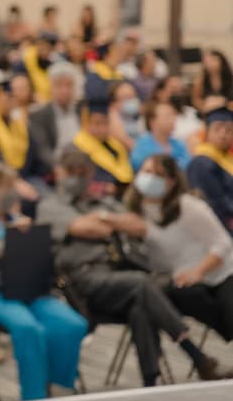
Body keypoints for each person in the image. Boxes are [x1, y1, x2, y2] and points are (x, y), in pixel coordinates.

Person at [38, 148, 232, 385]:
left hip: (117, 276)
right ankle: (197, 356)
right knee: (143, 283)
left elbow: (138, 227)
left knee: (141, 306)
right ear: (59, 173)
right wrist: (111, 222)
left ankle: (151, 380)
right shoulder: (50, 205)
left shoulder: (102, 202)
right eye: (71, 173)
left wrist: (105, 219)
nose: (77, 179)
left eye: (83, 173)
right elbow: (84, 227)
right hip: (83, 280)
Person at [0, 162, 87, 400]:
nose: (12, 192)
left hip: (28, 288)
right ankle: (34, 397)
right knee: (29, 329)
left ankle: (59, 386)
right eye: (6, 187)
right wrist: (12, 240)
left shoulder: (16, 216)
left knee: (72, 324)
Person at [112, 154, 233, 343]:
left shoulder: (188, 205)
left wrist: (198, 271)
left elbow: (223, 243)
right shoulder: (133, 211)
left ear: (172, 181)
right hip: (182, 281)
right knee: (180, 293)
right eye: (146, 172)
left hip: (221, 272)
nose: (150, 178)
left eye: (158, 175)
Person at [70, 94, 133, 192]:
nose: (100, 128)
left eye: (104, 123)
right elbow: (74, 183)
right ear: (86, 123)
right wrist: (103, 187)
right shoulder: (75, 149)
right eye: (96, 123)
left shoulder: (115, 147)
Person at [28, 62, 81, 178]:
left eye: (69, 85)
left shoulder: (82, 110)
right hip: (54, 168)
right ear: (51, 87)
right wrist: (57, 166)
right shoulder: (39, 115)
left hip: (81, 164)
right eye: (59, 85)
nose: (64, 91)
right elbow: (42, 149)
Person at [187, 107, 233, 236]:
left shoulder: (228, 158)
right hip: (219, 227)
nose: (223, 134)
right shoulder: (202, 162)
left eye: (229, 130)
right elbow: (216, 202)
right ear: (207, 132)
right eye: (217, 129)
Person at [130, 102, 190, 173]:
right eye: (167, 116)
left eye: (173, 116)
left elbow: (188, 165)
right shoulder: (142, 144)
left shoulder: (179, 144)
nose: (173, 120)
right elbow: (137, 163)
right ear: (152, 122)